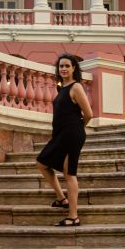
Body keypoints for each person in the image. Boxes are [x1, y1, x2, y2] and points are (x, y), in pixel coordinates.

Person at [36, 53, 93, 226]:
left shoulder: (76, 87)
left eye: (67, 66)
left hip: (71, 134)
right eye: (61, 66)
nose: (64, 69)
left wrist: (76, 128)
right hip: (61, 134)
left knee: (70, 173)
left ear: (74, 68)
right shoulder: (63, 88)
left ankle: (73, 216)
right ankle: (61, 199)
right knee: (42, 163)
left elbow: (89, 114)